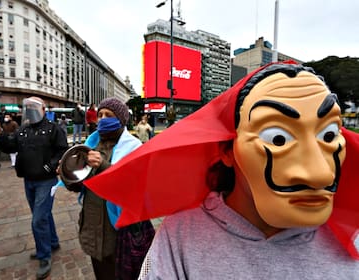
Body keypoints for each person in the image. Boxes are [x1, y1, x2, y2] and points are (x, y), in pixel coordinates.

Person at [83, 62, 359, 279]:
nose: (321, 174)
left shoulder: (353, 237)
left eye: (329, 134)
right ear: (228, 150)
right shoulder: (181, 235)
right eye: (277, 138)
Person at [63, 97, 154, 280]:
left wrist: (103, 165)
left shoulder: (133, 147)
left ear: (120, 119)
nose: (103, 119)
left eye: (108, 115)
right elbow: (79, 186)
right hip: (92, 228)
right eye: (100, 115)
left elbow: (134, 187)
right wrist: (66, 173)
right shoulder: (89, 145)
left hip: (118, 234)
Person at [0, 96, 68, 279]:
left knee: (38, 219)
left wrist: (50, 166)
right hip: (28, 179)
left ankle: (44, 256)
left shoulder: (53, 129)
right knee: (43, 214)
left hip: (46, 180)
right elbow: (11, 146)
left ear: (44, 109)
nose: (31, 110)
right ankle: (52, 242)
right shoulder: (23, 129)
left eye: (34, 107)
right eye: (27, 107)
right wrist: (0, 135)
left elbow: (62, 150)